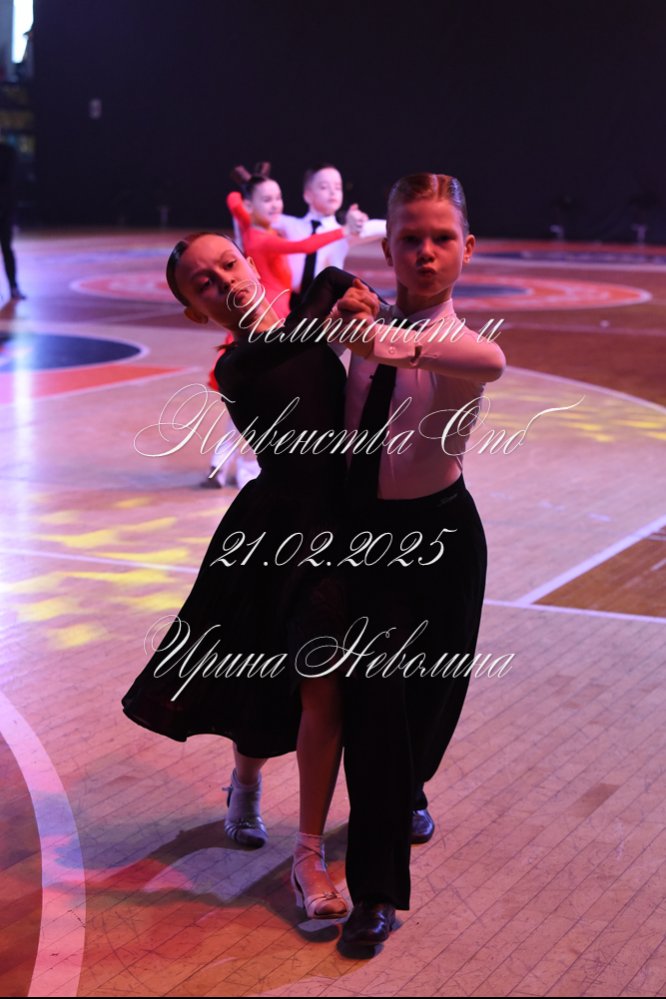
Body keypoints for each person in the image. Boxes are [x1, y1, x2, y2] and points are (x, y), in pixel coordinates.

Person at [122, 234, 360, 919]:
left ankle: (320, 843)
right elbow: (283, 352)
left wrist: (355, 307)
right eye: (203, 282)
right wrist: (328, 291)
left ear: (251, 264)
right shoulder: (237, 367)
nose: (223, 280)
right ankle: (248, 787)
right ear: (195, 312)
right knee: (261, 681)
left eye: (228, 263)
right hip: (276, 537)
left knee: (331, 686)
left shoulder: (306, 334)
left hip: (346, 526)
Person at [329, 173, 506, 947]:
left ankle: (409, 786)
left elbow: (491, 360)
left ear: (468, 248)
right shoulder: (358, 323)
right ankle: (375, 892)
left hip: (444, 540)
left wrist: (375, 337)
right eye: (410, 238)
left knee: (432, 704)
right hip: (368, 540)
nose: (425, 252)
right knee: (376, 710)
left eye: (441, 238)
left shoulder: (461, 346)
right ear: (388, 246)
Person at [226, 164, 354, 319]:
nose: (275, 205)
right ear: (248, 205)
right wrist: (344, 230)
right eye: (267, 199)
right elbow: (305, 246)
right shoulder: (262, 240)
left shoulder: (251, 225)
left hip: (270, 303)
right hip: (274, 307)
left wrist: (252, 185)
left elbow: (233, 199)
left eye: (278, 198)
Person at [278, 162, 386, 310]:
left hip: (323, 308)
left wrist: (357, 222)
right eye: (324, 187)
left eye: (337, 187)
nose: (332, 192)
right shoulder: (290, 225)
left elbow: (380, 227)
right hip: (288, 304)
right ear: (308, 195)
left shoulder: (344, 233)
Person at [0, 134, 26, 301]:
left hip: (5, 211)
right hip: (6, 209)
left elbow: (11, 184)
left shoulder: (8, 153)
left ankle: (13, 287)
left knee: (7, 249)